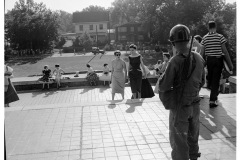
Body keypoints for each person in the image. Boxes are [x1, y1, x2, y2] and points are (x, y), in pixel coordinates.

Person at [159, 24, 205, 160]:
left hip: (180, 107)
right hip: (196, 105)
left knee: (179, 142)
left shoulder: (175, 61)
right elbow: (202, 82)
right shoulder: (198, 58)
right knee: (193, 138)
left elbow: (164, 86)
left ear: (173, 42)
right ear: (188, 40)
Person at [201, 21, 233, 108]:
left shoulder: (204, 38)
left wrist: (201, 64)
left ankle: (212, 99)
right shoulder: (220, 37)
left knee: (212, 79)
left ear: (208, 28)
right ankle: (215, 93)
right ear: (216, 27)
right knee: (215, 80)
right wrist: (230, 64)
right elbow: (225, 51)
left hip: (209, 61)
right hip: (218, 60)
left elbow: (202, 53)